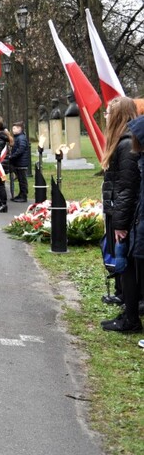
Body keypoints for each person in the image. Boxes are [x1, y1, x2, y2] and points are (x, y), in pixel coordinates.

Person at [100, 97, 141, 333]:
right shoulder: (124, 141)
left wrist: (120, 223)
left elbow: (127, 188)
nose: (105, 117)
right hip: (120, 213)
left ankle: (131, 319)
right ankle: (128, 312)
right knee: (124, 268)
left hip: (125, 217)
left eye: (108, 113)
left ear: (118, 115)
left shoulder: (127, 145)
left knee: (127, 268)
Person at [9, 122, 30, 203]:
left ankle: (23, 196)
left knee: (22, 180)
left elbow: (20, 150)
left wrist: (12, 156)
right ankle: (21, 194)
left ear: (19, 129)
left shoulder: (21, 138)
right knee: (20, 180)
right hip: (18, 162)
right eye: (13, 128)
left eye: (14, 128)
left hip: (21, 162)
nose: (13, 130)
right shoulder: (18, 137)